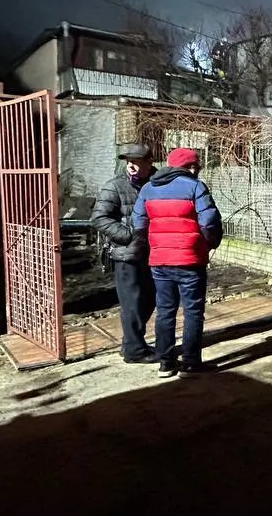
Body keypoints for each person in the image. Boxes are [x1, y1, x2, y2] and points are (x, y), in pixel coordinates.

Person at [132, 147, 223, 376]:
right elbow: (209, 221)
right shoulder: (195, 186)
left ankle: (166, 363)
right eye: (196, 166)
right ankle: (191, 363)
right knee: (192, 311)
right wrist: (209, 243)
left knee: (165, 310)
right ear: (191, 166)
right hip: (190, 260)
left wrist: (152, 246)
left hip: (160, 261)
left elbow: (139, 224)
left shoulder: (148, 188)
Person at [90, 144, 157, 363]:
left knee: (149, 301)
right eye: (128, 160)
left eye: (137, 161)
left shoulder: (158, 183)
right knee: (133, 304)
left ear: (149, 162)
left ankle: (131, 343)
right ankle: (134, 351)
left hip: (153, 253)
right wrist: (130, 236)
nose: (131, 165)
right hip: (126, 255)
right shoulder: (114, 186)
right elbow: (99, 218)